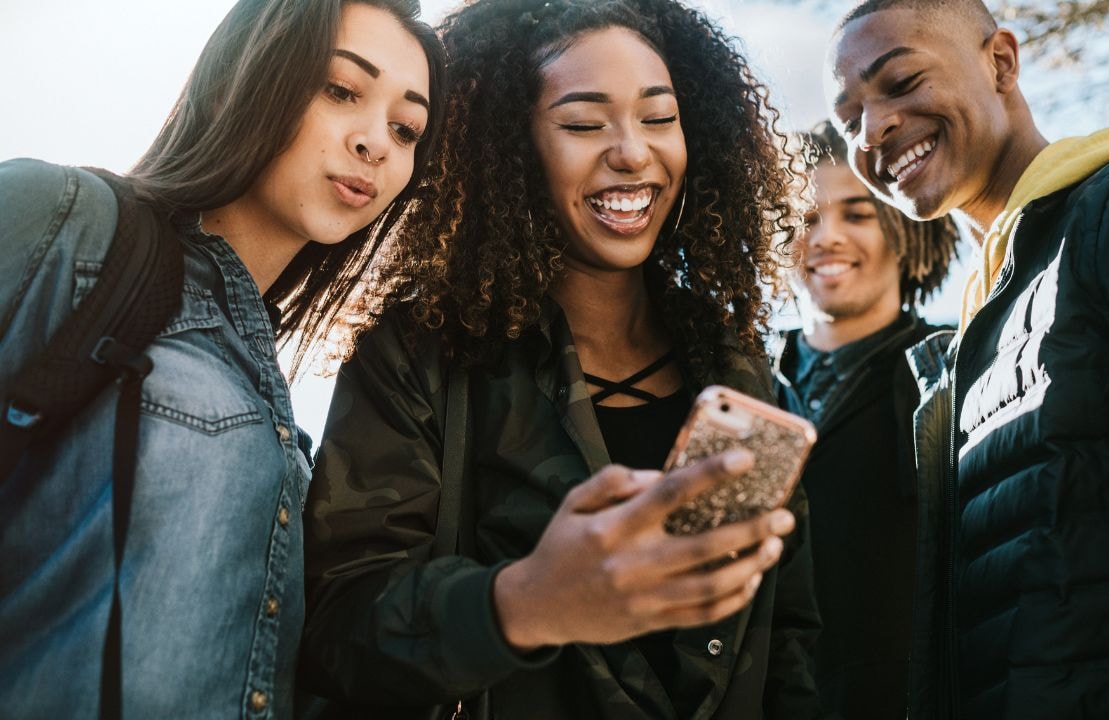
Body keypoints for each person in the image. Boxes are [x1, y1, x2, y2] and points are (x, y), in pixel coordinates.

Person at [299, 0, 822, 717]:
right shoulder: (420, 349)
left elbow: (789, 638)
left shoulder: (734, 363)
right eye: (583, 123)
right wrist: (524, 604)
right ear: (510, 149)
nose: (633, 151)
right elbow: (337, 629)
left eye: (659, 117)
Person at [825, 0, 1109, 718]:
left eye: (902, 81)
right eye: (848, 120)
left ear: (1001, 61)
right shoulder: (971, 337)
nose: (872, 128)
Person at [0, 1, 446, 716]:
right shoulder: (63, 220)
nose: (377, 144)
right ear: (252, 73)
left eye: (407, 128)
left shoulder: (285, 430)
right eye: (341, 90)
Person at [774, 120, 956, 719]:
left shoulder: (958, 367)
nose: (825, 237)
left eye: (856, 214)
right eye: (806, 217)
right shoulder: (733, 376)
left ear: (904, 229)